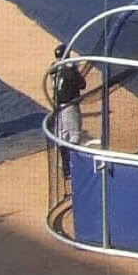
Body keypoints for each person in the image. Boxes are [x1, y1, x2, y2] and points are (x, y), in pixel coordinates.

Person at [51, 43, 84, 177]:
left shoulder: (53, 68)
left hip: (57, 107)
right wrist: (75, 70)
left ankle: (65, 166)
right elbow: (82, 84)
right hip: (69, 107)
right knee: (75, 134)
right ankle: (72, 166)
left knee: (62, 135)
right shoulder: (70, 72)